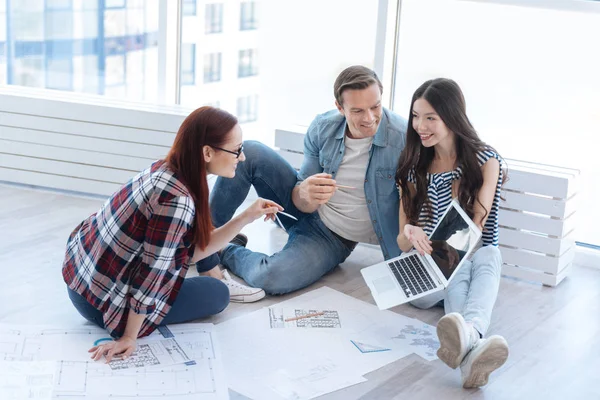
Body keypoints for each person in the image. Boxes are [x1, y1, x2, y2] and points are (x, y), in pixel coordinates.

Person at [62, 107, 282, 362]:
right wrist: (129, 337)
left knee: (191, 269)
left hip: (81, 280)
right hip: (100, 304)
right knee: (216, 293)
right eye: (237, 150)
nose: (241, 158)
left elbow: (190, 251)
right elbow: (152, 274)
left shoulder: (166, 169)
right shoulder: (178, 201)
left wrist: (246, 216)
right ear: (208, 152)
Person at [209, 65, 408, 295]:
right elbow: (300, 203)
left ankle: (223, 248)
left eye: (375, 106)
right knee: (249, 153)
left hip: (331, 236)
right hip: (300, 210)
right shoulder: (323, 127)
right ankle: (206, 237)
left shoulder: (403, 139)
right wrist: (305, 193)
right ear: (340, 108)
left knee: (269, 277)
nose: (370, 118)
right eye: (357, 111)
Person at [395, 78, 509, 388]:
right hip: (423, 271)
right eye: (416, 116)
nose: (421, 125)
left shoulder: (486, 161)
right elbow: (402, 241)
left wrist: (459, 198)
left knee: (488, 252)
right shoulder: (413, 166)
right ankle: (473, 335)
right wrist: (410, 229)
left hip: (465, 257)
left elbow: (477, 226)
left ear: (452, 117)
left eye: (431, 117)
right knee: (455, 261)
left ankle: (468, 344)